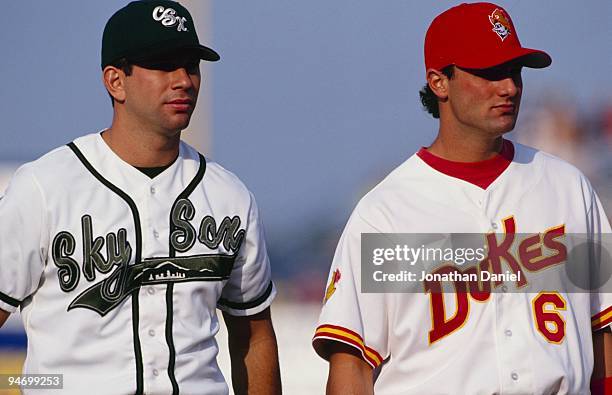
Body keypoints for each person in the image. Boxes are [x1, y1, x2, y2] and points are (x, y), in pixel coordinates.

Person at [312, 2, 611, 394]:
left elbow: (603, 330)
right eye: (489, 72)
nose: (509, 87)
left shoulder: (568, 188)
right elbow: (351, 368)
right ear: (439, 82)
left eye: (514, 71)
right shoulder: (386, 214)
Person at [0, 1, 281, 394]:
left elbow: (253, 332)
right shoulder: (43, 187)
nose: (184, 80)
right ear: (116, 81)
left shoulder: (230, 196)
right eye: (164, 65)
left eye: (191, 65)